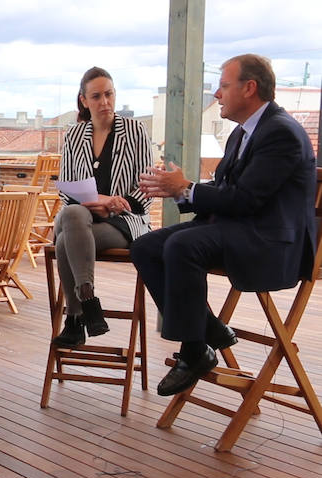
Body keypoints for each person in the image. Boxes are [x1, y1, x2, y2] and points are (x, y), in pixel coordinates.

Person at [131, 54, 317, 396]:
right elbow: (226, 191)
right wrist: (179, 192)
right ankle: (209, 332)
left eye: (223, 86)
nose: (217, 94)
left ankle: (194, 348)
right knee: (144, 247)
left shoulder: (282, 133)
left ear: (250, 88)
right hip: (238, 228)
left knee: (181, 246)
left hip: (269, 241)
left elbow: (245, 199)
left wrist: (185, 188)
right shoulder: (241, 134)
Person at [51, 67, 154, 348]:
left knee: (64, 239)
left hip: (123, 221)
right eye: (96, 96)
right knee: (72, 214)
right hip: (81, 217)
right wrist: (95, 203)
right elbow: (68, 189)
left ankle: (75, 318)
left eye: (109, 94)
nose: (104, 102)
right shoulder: (74, 136)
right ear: (84, 101)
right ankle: (89, 300)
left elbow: (147, 189)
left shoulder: (135, 131)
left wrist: (113, 204)